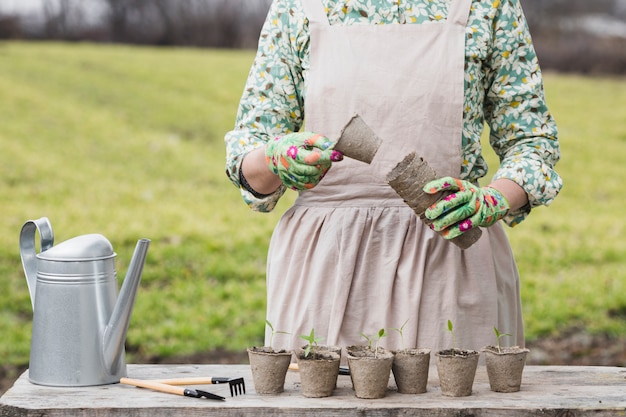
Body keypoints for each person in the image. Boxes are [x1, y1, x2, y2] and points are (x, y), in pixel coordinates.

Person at [224, 0, 562, 354]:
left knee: (458, 399)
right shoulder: (296, 7)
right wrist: (275, 159)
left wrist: (495, 198)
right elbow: (249, 165)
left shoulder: (488, 6)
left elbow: (532, 141)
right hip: (326, 269)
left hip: (450, 262)